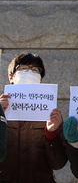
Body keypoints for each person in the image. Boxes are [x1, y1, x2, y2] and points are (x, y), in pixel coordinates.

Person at [0, 52, 68, 182]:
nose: (29, 73)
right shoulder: (0, 109)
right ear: (11, 77)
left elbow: (58, 163)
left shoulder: (50, 113)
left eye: (35, 70)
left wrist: (52, 133)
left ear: (41, 79)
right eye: (23, 68)